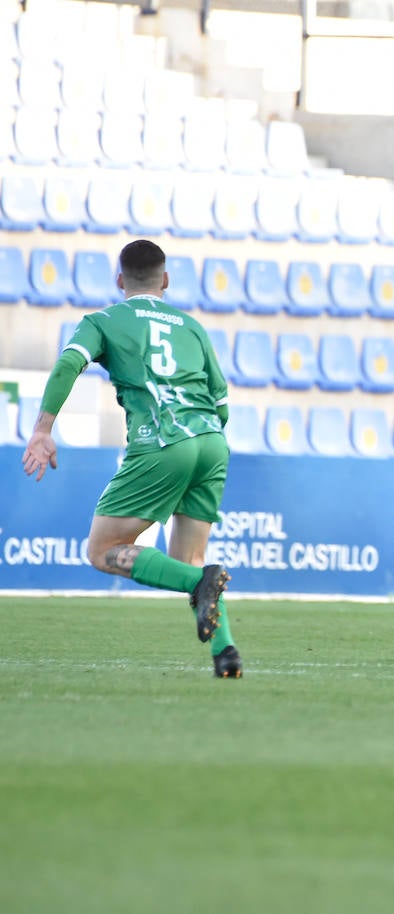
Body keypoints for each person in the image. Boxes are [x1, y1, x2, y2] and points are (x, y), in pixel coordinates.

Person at [21, 239, 240, 678]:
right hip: (212, 442)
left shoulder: (102, 321)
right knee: (188, 563)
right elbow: (222, 403)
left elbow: (68, 365)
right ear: (166, 280)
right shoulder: (191, 326)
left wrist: (43, 429)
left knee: (102, 550)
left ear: (120, 280)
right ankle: (226, 655)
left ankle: (203, 588)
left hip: (163, 440)